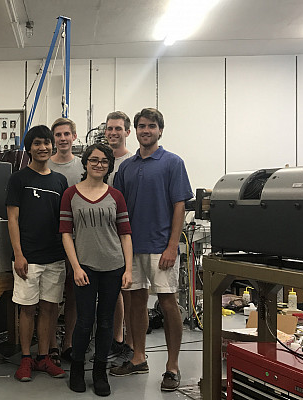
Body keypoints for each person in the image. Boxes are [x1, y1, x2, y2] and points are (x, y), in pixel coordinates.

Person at [110, 108, 193, 392]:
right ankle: (138, 357)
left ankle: (172, 366)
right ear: (135, 130)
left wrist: (173, 246)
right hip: (132, 247)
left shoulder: (172, 162)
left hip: (162, 247)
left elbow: (180, 205)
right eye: (142, 126)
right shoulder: (127, 167)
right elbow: (119, 209)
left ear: (160, 130)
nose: (146, 130)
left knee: (168, 304)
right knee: (135, 302)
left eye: (152, 126)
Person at [60, 143, 133, 396]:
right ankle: (77, 369)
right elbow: (66, 234)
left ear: (109, 165)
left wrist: (128, 269)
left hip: (113, 267)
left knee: (105, 323)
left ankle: (100, 370)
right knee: (83, 322)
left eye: (104, 161)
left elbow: (125, 235)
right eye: (94, 160)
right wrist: (76, 267)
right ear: (86, 162)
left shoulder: (116, 196)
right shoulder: (71, 194)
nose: (98, 164)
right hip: (85, 269)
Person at [5, 125, 68, 382]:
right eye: (37, 143)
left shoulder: (60, 181)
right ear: (29, 148)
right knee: (27, 309)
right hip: (27, 258)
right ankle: (25, 359)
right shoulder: (18, 179)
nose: (43, 147)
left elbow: (63, 221)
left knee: (50, 309)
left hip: (54, 257)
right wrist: (19, 255)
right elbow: (12, 219)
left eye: (47, 143)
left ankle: (43, 358)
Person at [46, 117, 84, 365]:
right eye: (58, 135)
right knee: (49, 296)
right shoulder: (42, 164)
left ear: (74, 137)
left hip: (76, 238)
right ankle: (50, 346)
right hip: (47, 238)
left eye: (66, 134)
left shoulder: (83, 167)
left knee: (72, 292)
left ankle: (68, 342)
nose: (62, 139)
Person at [104, 111, 135, 365]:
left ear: (127, 132)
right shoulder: (99, 160)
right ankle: (114, 338)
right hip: (102, 237)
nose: (113, 132)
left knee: (129, 292)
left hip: (123, 235)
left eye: (118, 128)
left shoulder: (132, 163)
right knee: (112, 293)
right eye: (109, 128)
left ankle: (128, 343)